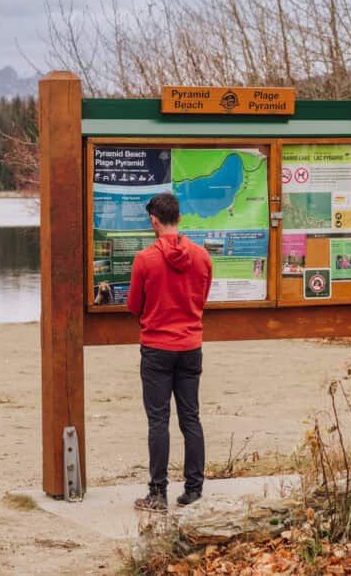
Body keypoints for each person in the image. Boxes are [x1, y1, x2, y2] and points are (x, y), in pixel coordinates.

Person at [127, 193, 213, 511]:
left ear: (154, 220)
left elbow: (134, 305)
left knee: (158, 421)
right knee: (191, 418)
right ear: (178, 217)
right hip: (191, 346)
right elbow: (201, 298)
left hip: (157, 348)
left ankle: (158, 493)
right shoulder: (202, 257)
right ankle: (194, 489)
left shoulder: (145, 260)